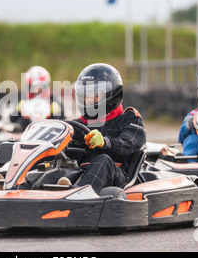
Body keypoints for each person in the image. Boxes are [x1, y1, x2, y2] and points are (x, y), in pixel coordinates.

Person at [57, 63, 146, 194]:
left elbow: (131, 141)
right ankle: (28, 189)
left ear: (111, 93)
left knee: (103, 160)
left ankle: (77, 195)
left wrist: (105, 142)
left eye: (95, 95)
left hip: (117, 176)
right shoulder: (77, 125)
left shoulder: (129, 118)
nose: (89, 100)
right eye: (86, 95)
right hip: (81, 174)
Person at [10, 66, 65, 130]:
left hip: (48, 127)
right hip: (27, 128)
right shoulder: (23, 98)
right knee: (20, 123)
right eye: (34, 87)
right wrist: (19, 110)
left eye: (40, 87)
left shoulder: (53, 98)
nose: (37, 90)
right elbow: (12, 118)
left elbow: (63, 118)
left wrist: (55, 111)